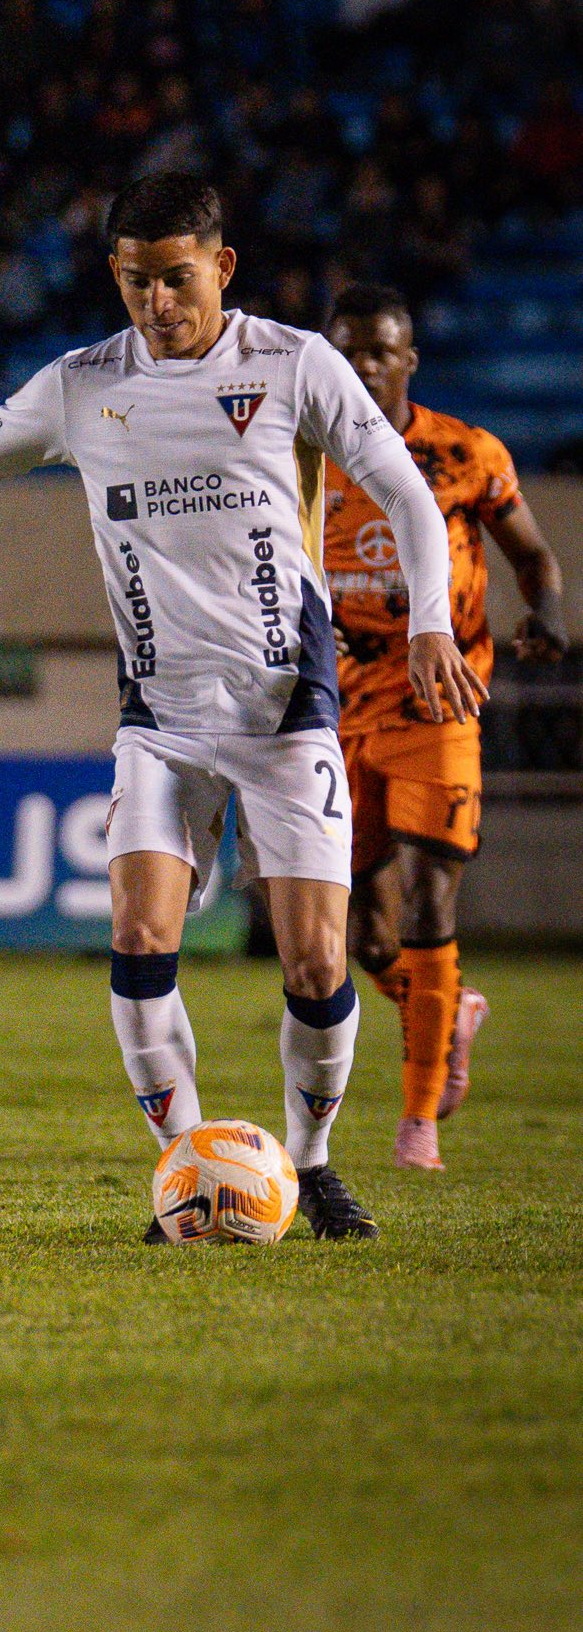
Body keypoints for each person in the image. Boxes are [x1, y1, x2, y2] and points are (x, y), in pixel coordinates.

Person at [0, 174, 484, 1243]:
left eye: (176, 279)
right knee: (139, 934)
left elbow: (405, 487)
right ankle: (187, 1166)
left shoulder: (293, 364)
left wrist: (427, 624)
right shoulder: (84, 384)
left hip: (286, 709)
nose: (156, 303)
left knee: (317, 960)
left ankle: (311, 1165)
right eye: (136, 282)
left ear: (221, 269)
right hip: (161, 715)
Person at [323, 285, 566, 1169]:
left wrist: (548, 616)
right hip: (335, 712)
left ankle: (416, 1121)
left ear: (409, 360)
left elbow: (533, 556)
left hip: (438, 706)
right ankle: (447, 1006)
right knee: (366, 934)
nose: (362, 366)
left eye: (379, 351)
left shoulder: (464, 451)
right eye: (346, 350)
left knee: (431, 900)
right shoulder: (301, 455)